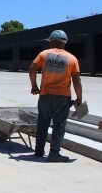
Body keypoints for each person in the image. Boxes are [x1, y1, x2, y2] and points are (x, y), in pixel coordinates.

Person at [28, 30, 82, 162]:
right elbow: (76, 80)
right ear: (64, 42)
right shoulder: (72, 59)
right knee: (59, 125)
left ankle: (39, 151)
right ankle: (54, 153)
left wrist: (34, 86)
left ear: (54, 42)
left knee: (42, 123)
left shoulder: (44, 54)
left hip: (45, 95)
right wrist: (79, 98)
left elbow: (32, 68)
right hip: (62, 97)